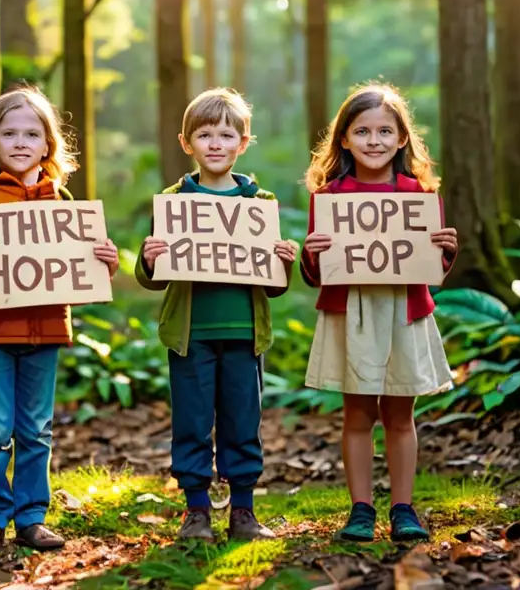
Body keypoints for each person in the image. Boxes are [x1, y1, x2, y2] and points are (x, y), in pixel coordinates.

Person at [0, 86, 119, 556]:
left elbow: (79, 266)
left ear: (48, 145)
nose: (20, 142)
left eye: (31, 134)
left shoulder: (62, 201)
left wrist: (103, 260)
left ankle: (32, 518)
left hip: (46, 331)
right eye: (9, 133)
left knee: (37, 429)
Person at [136, 88, 298, 542]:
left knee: (243, 421)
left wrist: (283, 260)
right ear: (187, 142)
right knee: (191, 421)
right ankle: (196, 510)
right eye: (204, 135)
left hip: (245, 334)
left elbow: (273, 285)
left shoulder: (259, 202)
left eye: (226, 135)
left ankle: (243, 511)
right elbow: (153, 276)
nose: (215, 144)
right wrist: (149, 258)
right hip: (192, 335)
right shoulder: (173, 200)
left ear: (242, 143)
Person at [300, 83, 458, 542]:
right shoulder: (329, 197)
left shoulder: (419, 195)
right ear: (344, 139)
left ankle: (404, 508)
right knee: (357, 415)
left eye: (385, 131)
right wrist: (311, 254)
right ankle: (361, 510)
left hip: (403, 311)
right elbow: (317, 271)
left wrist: (447, 251)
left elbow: (430, 268)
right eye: (362, 131)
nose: (374, 141)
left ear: (402, 138)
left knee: (399, 415)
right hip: (351, 311)